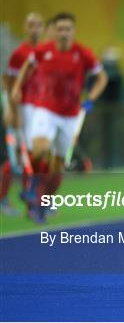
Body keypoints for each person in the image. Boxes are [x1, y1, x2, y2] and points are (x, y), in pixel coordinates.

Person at [11, 12, 108, 223]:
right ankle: (33, 186)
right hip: (45, 109)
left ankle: (44, 201)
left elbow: (102, 77)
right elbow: (27, 66)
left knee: (57, 168)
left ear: (73, 31)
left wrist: (90, 97)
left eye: (67, 29)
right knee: (40, 149)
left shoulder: (83, 54)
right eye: (60, 29)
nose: (63, 33)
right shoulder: (42, 51)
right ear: (54, 31)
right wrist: (18, 88)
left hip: (70, 116)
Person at [1, 12, 44, 218]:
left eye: (38, 25)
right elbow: (8, 81)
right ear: (26, 28)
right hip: (21, 109)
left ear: (43, 28)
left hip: (39, 112)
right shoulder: (20, 53)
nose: (34, 29)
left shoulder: (45, 52)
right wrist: (11, 108)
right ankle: (7, 198)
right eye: (31, 25)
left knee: (32, 157)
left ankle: (32, 200)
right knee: (21, 156)